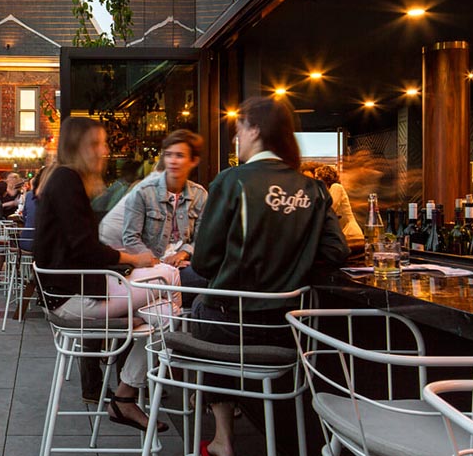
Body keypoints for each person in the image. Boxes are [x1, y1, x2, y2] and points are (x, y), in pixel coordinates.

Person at [191, 97, 349, 456]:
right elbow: (336, 252)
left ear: (256, 130)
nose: (237, 138)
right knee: (210, 309)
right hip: (287, 330)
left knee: (202, 308)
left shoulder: (232, 181)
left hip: (230, 327)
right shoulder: (314, 189)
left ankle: (222, 438)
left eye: (239, 130)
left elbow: (202, 261)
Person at [35, 117, 179, 433]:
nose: (105, 150)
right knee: (168, 278)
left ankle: (126, 397)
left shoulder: (60, 179)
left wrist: (127, 264)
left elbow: (80, 248)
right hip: (72, 301)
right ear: (80, 147)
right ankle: (129, 395)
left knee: (163, 313)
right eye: (98, 143)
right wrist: (133, 258)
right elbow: (85, 249)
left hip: (70, 294)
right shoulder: (67, 180)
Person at [122, 130, 209, 288]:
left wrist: (183, 253)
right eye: (168, 155)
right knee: (207, 280)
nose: (173, 161)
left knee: (214, 273)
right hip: (151, 268)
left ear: (193, 161)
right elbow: (130, 238)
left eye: (179, 156)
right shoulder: (143, 192)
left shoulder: (199, 194)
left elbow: (202, 238)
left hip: (186, 266)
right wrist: (158, 262)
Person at [315, 164, 366, 251]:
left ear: (325, 177)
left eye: (317, 177)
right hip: (346, 233)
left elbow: (331, 208)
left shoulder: (336, 187)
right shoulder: (329, 191)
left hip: (351, 233)